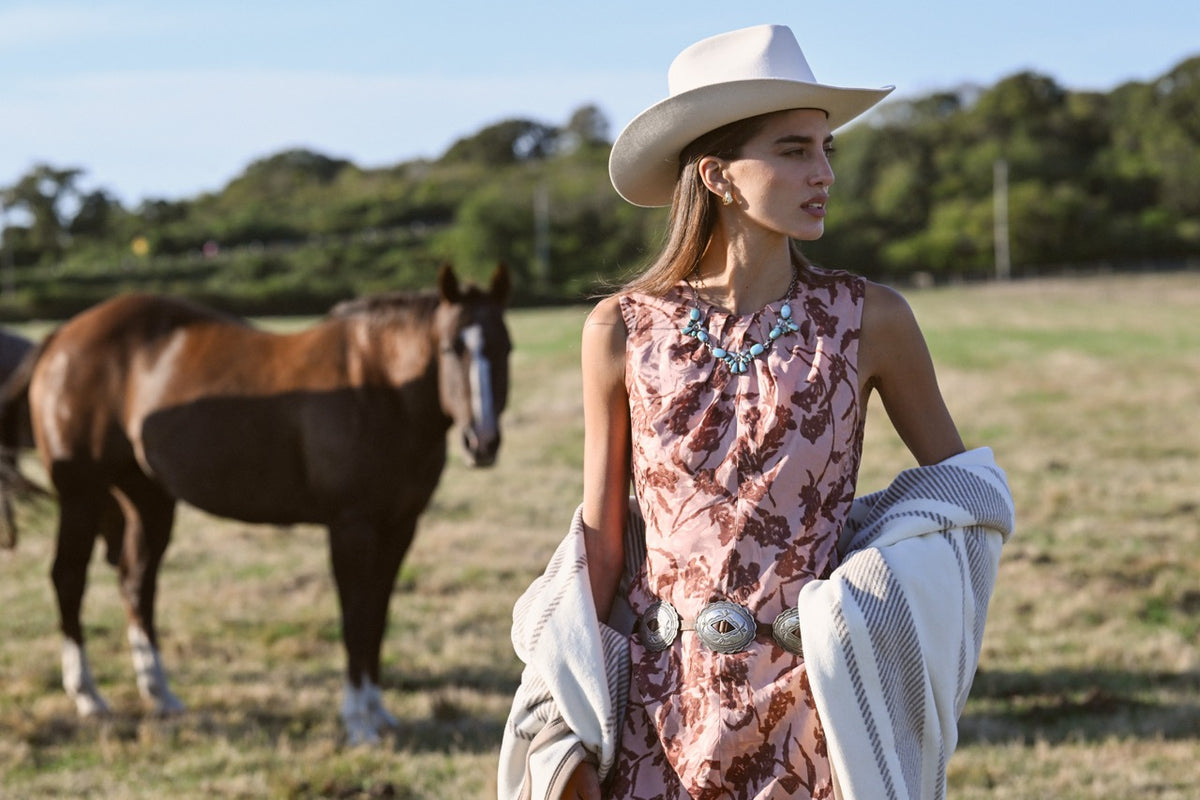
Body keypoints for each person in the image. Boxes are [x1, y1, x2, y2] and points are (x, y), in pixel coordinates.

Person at [510, 23, 999, 800]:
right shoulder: (619, 330)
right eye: (794, 150)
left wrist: (872, 601)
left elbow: (966, 503)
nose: (824, 173)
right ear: (718, 175)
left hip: (818, 718)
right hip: (659, 713)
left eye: (826, 148)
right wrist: (566, 713)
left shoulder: (872, 319)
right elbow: (603, 542)